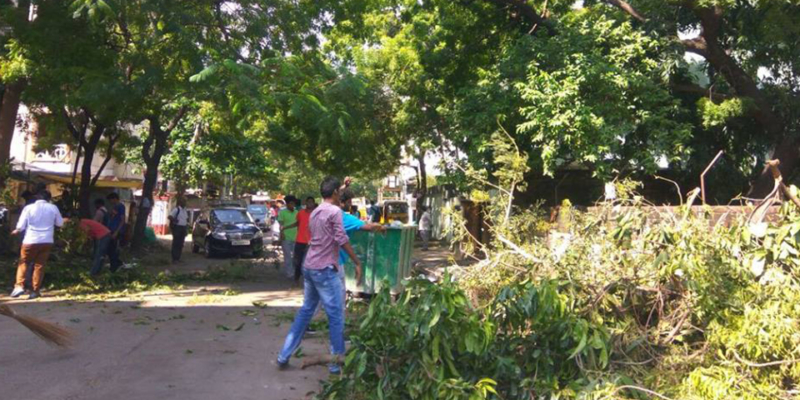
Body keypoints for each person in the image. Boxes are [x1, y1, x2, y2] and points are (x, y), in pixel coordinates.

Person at [277, 177, 362, 374]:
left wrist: (342, 186)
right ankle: (335, 363)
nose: (341, 195)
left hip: (310, 266)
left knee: (306, 311)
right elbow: (341, 239)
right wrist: (357, 262)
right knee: (336, 316)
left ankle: (283, 355)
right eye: (339, 193)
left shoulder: (315, 211)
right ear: (334, 194)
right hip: (324, 270)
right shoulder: (334, 212)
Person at [10, 191, 63, 299]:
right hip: (46, 240)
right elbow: (60, 223)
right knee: (39, 265)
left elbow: (21, 225)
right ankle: (35, 290)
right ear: (49, 199)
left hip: (30, 239)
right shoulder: (53, 208)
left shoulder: (28, 208)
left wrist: (17, 230)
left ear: (36, 197)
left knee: (24, 262)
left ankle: (19, 286)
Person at [283, 197, 317, 282]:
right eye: (308, 202)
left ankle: (308, 280)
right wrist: (286, 227)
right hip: (300, 240)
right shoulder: (300, 213)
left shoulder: (316, 214)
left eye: (311, 202)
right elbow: (298, 223)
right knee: (297, 261)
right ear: (305, 203)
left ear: (313, 203)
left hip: (312, 242)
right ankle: (296, 279)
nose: (309, 203)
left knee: (309, 262)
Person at [278, 195, 299, 279]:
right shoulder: (282, 212)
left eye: (293, 203)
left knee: (295, 257)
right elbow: (281, 224)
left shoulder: (297, 212)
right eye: (290, 203)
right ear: (287, 204)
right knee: (287, 257)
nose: (292, 205)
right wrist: (281, 234)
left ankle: (295, 272)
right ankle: (289, 273)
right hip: (286, 237)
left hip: (296, 237)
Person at [104, 192, 126, 272]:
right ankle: (117, 263)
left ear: (114, 199)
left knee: (113, 249)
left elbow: (122, 220)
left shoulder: (121, 206)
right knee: (110, 249)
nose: (110, 202)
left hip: (116, 231)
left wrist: (117, 232)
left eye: (111, 200)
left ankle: (115, 266)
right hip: (111, 230)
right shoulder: (115, 207)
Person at [169, 197, 189, 264]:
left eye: (185, 202)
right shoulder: (177, 209)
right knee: (176, 243)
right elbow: (170, 216)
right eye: (184, 201)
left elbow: (186, 220)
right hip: (177, 228)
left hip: (183, 228)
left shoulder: (184, 210)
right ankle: (174, 258)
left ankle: (178, 258)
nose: (185, 203)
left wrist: (186, 229)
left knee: (181, 243)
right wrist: (175, 220)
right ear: (181, 202)